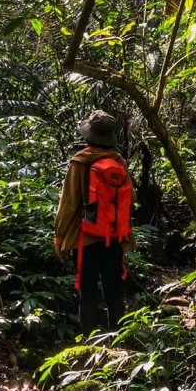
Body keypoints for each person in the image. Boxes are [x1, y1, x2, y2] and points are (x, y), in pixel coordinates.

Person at [54, 110, 135, 336]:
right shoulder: (119, 162)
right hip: (115, 236)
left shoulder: (79, 162)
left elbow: (69, 203)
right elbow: (130, 202)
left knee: (87, 291)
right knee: (114, 291)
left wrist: (59, 237)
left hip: (85, 237)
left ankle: (89, 345)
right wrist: (126, 237)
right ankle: (119, 342)